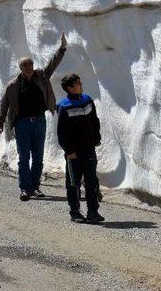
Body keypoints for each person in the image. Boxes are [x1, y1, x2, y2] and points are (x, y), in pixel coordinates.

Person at [0, 33, 67, 201]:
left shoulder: (41, 76)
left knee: (38, 157)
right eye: (25, 65)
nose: (28, 66)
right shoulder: (13, 85)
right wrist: (0, 121)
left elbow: (53, 64)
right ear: (20, 68)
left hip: (40, 121)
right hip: (22, 124)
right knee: (23, 158)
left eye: (30, 64)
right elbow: (4, 104)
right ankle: (24, 189)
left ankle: (35, 187)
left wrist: (62, 49)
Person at [57, 73, 104, 223]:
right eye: (77, 83)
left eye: (80, 82)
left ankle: (92, 211)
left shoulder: (88, 101)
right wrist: (69, 151)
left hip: (88, 149)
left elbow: (95, 121)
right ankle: (75, 212)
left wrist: (96, 139)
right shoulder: (64, 107)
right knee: (73, 182)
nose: (80, 85)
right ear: (69, 88)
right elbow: (61, 133)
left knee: (91, 181)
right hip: (73, 153)